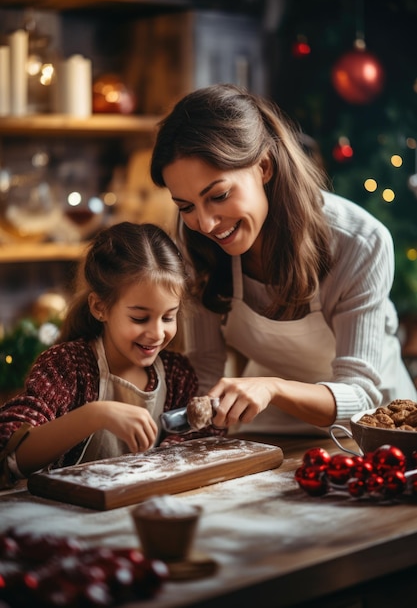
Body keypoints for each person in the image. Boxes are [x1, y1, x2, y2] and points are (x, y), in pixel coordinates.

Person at [150, 83, 417, 436]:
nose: (205, 223)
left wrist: (272, 387)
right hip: (265, 424)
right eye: (185, 206)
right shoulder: (195, 245)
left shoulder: (359, 242)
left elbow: (361, 396)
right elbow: (205, 369)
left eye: (219, 195)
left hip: (372, 432)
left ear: (264, 167)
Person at [0, 222, 222, 488]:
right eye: (140, 318)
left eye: (168, 317)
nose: (157, 333)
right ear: (100, 307)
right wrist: (96, 414)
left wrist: (214, 420)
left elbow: (198, 444)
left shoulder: (176, 374)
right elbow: (11, 457)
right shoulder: (68, 367)